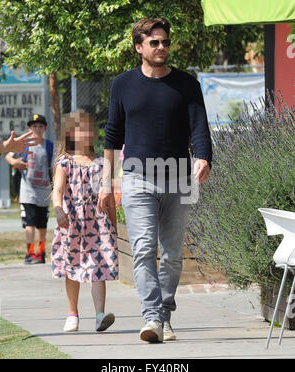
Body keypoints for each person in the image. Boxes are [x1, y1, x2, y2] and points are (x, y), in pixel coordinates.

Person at [98, 17, 212, 343]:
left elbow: (199, 128)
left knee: (173, 254)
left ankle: (164, 314)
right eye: (154, 43)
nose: (161, 47)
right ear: (139, 47)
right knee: (144, 248)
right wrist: (106, 181)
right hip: (137, 178)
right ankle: (151, 317)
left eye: (164, 42)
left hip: (179, 178)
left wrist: (203, 157)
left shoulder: (186, 84)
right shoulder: (122, 85)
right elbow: (112, 135)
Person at [51, 110, 118, 333]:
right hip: (72, 224)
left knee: (99, 268)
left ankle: (100, 315)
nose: (87, 133)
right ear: (70, 133)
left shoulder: (102, 163)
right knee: (73, 267)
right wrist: (58, 210)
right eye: (81, 128)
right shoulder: (64, 162)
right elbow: (57, 190)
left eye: (90, 128)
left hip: (98, 225)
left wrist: (114, 227)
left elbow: (108, 199)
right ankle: (73, 314)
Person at [6, 114, 53, 264]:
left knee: (42, 226)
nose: (37, 129)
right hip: (28, 192)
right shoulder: (25, 144)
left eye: (40, 126)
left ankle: (41, 252)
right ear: (29, 128)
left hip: (43, 192)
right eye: (34, 126)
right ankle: (30, 252)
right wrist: (16, 162)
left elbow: (54, 166)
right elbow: (9, 156)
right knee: (30, 224)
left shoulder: (49, 146)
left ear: (45, 128)